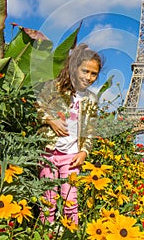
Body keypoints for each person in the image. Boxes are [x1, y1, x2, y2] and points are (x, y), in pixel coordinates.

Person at [37, 43, 103, 224]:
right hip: (48, 152)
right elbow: (37, 105)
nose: (88, 77)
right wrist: (50, 120)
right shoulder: (56, 87)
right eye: (85, 71)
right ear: (75, 69)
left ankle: (70, 234)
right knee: (47, 201)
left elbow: (91, 129)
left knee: (70, 201)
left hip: (72, 156)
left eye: (93, 74)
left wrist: (84, 152)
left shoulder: (91, 99)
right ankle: (45, 234)